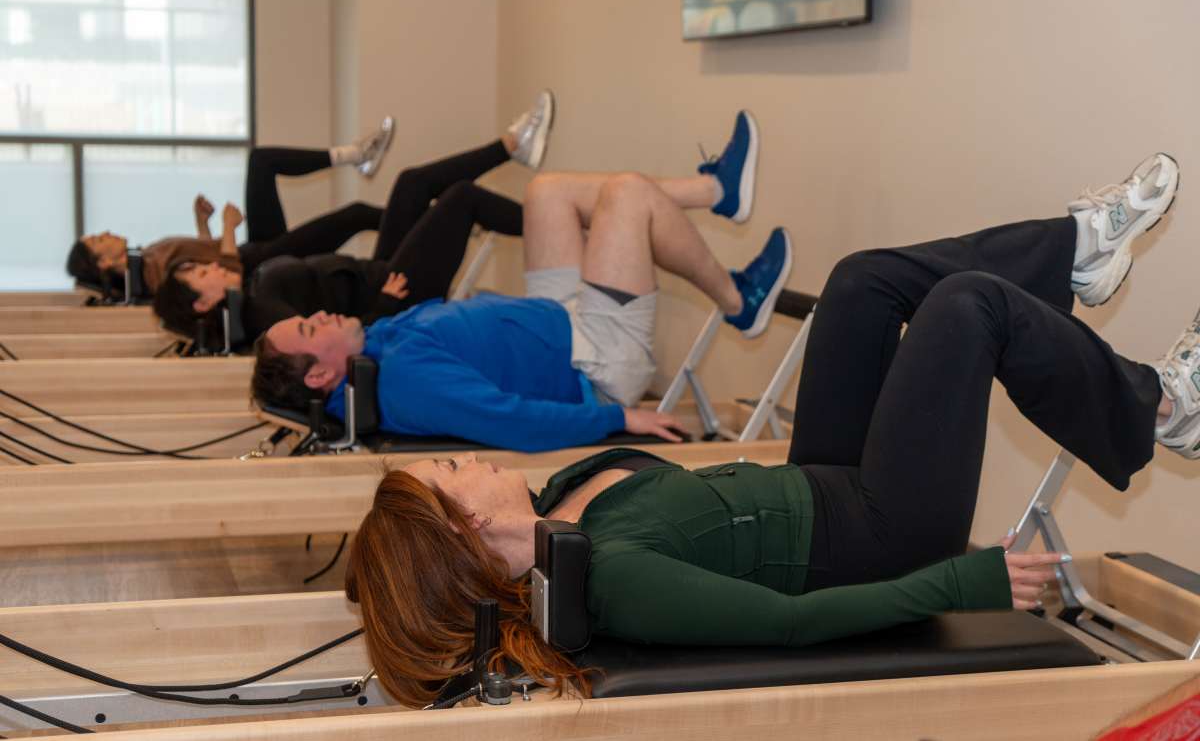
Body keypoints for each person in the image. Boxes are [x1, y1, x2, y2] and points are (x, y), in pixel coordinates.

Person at [341, 152, 1196, 708]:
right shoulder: (612, 577)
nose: (469, 460)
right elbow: (792, 624)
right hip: (881, 527)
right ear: (472, 525)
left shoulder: (561, 502)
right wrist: (964, 584)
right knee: (965, 307)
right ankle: (1161, 407)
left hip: (817, 483)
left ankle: (1075, 249)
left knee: (857, 284)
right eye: (453, 471)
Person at [251, 111, 788, 451]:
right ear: (322, 377)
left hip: (556, 317)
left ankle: (716, 191)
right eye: (307, 329)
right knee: (626, 193)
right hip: (596, 357)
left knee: (545, 193)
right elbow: (512, 422)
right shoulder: (403, 381)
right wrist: (619, 417)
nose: (318, 314)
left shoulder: (372, 353)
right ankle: (739, 298)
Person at [153, 91, 556, 349]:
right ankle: (558, 228)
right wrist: (382, 307)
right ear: (205, 301)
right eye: (203, 273)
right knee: (460, 199)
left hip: (380, 271)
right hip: (397, 293)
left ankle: (511, 147)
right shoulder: (262, 314)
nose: (211, 266)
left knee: (411, 182)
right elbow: (326, 345)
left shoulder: (257, 290)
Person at [65, 116, 398, 294]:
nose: (106, 232)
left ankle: (356, 156)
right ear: (104, 263)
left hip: (255, 249)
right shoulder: (153, 277)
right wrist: (226, 227)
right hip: (262, 263)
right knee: (355, 215)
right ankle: (429, 219)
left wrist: (203, 224)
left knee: (261, 161)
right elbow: (229, 276)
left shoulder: (148, 257)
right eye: (98, 240)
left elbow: (206, 257)